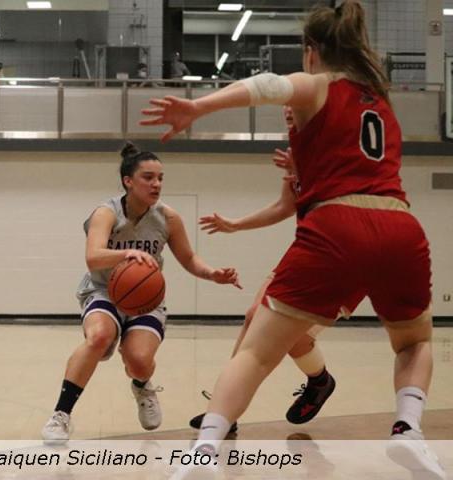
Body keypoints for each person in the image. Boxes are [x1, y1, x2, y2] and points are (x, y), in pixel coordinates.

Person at [142, 2, 442, 479]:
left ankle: (205, 451)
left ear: (311, 50)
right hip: (400, 228)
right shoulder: (380, 99)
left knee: (256, 352)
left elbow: (266, 85)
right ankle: (408, 430)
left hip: (338, 228)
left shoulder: (320, 85)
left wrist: (197, 106)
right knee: (413, 342)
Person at [41, 142, 240, 444]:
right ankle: (61, 414)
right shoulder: (106, 213)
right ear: (128, 181)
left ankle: (142, 385)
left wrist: (212, 273)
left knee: (138, 360)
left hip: (145, 300)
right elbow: (93, 257)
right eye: (148, 177)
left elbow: (188, 258)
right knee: (99, 338)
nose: (156, 184)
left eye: (160, 178)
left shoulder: (168, 218)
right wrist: (127, 253)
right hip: (104, 290)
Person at [191, 118, 335, 431]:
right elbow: (286, 205)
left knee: (292, 338)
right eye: (285, 106)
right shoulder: (297, 149)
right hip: (304, 251)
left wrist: (305, 169)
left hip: (338, 256)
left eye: (294, 103)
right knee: (254, 316)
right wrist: (236, 224)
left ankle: (319, 381)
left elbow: (343, 200)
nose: (289, 109)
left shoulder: (336, 142)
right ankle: (224, 412)